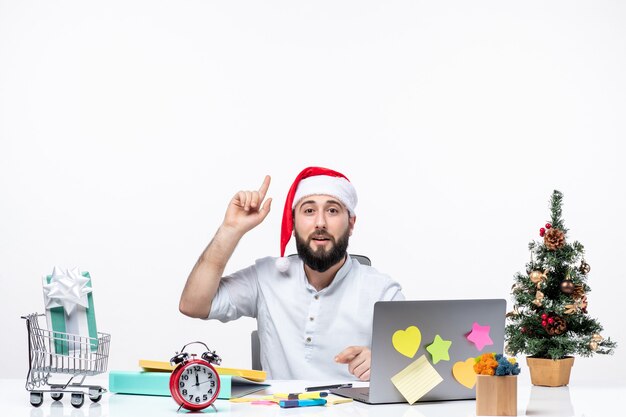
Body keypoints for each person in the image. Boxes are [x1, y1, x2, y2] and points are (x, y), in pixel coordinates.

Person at [179, 167, 404, 381]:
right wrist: (230, 229)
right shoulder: (265, 277)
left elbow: (424, 374)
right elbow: (193, 305)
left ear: (351, 223)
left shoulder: (382, 291)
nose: (320, 222)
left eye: (333, 210)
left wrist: (386, 364)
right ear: (293, 223)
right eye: (308, 210)